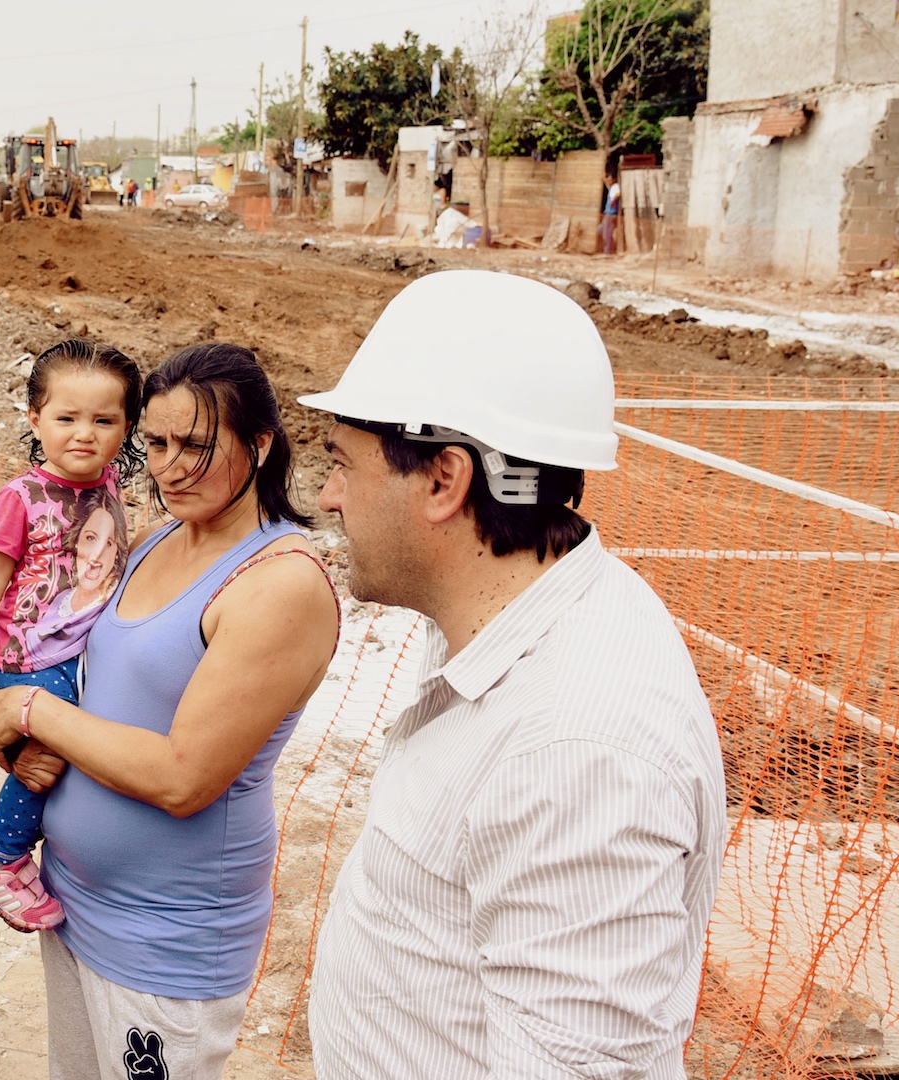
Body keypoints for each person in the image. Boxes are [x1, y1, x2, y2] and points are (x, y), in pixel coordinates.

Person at [298, 270, 726, 1079]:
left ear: (443, 480)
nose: (329, 497)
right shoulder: (506, 612)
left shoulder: (576, 755)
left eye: (345, 464)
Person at [0, 344, 341, 1080]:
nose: (170, 467)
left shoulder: (280, 583)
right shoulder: (157, 538)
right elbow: (90, 686)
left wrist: (29, 710)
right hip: (71, 904)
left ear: (260, 443)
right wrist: (16, 738)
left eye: (196, 446)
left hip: (164, 941)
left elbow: (182, 778)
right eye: (157, 443)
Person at [0, 339, 144, 933]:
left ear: (127, 425)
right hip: (28, 654)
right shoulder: (21, 496)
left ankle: (40, 855)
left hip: (80, 649)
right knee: (45, 759)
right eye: (66, 418)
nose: (84, 434)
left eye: (104, 421)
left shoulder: (109, 483)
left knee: (83, 749)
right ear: (35, 419)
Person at [600, 167, 622, 254]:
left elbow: (618, 194)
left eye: (610, 179)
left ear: (613, 179)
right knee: (601, 229)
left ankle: (607, 251)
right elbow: (606, 183)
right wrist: (603, 177)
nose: (608, 181)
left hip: (611, 213)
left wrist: (613, 201)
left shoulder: (616, 186)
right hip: (607, 213)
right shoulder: (611, 187)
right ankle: (608, 248)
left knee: (607, 233)